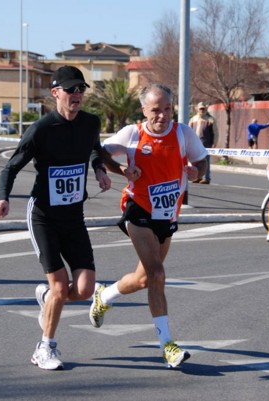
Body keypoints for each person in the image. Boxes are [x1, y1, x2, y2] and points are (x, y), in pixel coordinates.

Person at [0, 66, 112, 370]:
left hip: (74, 217)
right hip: (43, 215)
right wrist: (3, 197)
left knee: (84, 290)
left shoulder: (90, 123)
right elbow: (12, 166)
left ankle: (46, 298)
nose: (77, 95)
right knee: (60, 287)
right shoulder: (42, 129)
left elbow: (95, 150)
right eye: (71, 90)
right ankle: (45, 348)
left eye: (81, 90)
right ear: (56, 93)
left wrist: (99, 169)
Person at [90, 83, 207, 369]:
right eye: (156, 110)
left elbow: (203, 161)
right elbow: (101, 153)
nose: (163, 115)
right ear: (144, 111)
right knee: (157, 273)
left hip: (166, 216)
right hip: (137, 209)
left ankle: (103, 296)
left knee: (145, 279)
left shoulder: (183, 133)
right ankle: (167, 345)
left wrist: (196, 173)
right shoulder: (132, 134)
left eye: (167, 109)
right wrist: (121, 170)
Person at [188, 101, 217, 184]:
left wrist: (214, 142)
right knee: (195, 161)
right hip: (194, 145)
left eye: (203, 109)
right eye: (200, 109)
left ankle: (206, 178)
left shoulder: (210, 119)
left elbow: (216, 132)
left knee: (206, 162)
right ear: (197, 109)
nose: (202, 110)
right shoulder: (193, 119)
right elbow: (188, 131)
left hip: (206, 144)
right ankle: (197, 177)